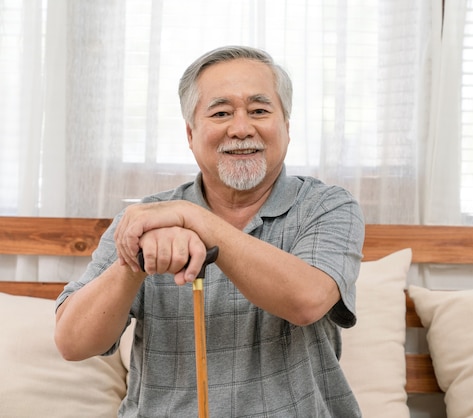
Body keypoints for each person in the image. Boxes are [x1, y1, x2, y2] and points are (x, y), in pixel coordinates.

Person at [54, 45, 365, 417]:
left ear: (286, 126)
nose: (241, 128)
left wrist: (194, 218)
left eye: (259, 111)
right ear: (190, 133)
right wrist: (134, 259)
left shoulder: (327, 206)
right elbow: (72, 343)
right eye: (220, 113)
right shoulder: (145, 219)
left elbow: (306, 301)